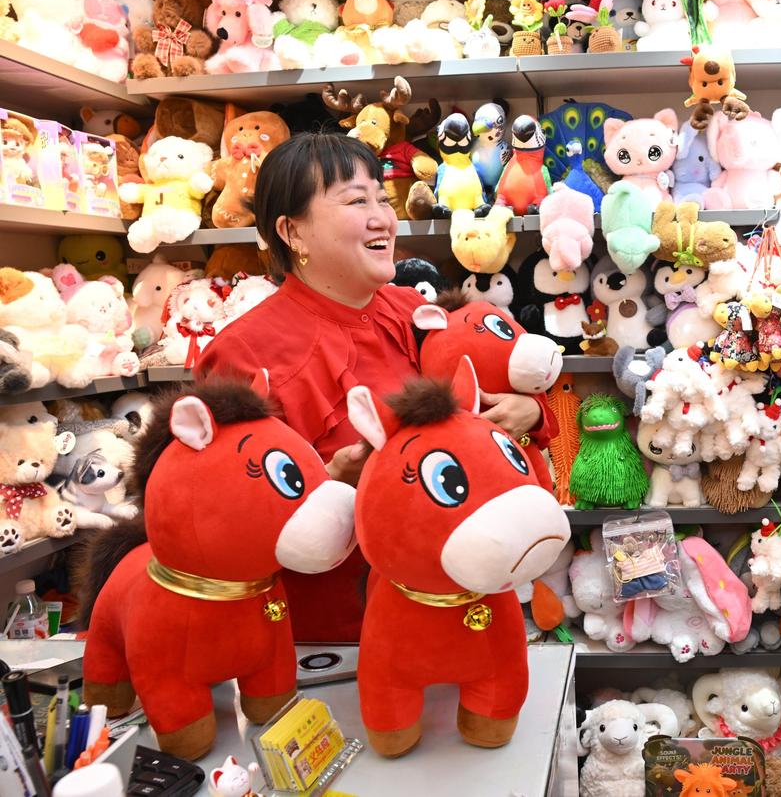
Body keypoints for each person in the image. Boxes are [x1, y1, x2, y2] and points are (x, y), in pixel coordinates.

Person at [195, 133, 554, 642]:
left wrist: (528, 411)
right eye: (355, 201)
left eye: (382, 199)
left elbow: (502, 383)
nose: (382, 217)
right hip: (341, 630)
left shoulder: (415, 311)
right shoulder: (243, 354)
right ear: (292, 232)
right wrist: (328, 484)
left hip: (460, 598)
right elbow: (222, 520)